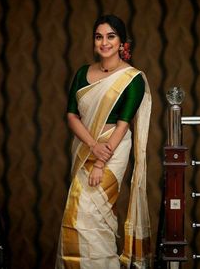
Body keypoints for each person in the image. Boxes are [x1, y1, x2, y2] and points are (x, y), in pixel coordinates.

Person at [55, 14, 152, 269]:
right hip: (88, 147)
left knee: (94, 213)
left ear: (122, 43)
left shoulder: (132, 79)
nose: (104, 42)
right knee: (75, 214)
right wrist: (92, 145)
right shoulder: (82, 73)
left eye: (111, 36)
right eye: (99, 37)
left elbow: (123, 124)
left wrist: (100, 161)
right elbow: (71, 115)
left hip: (114, 150)